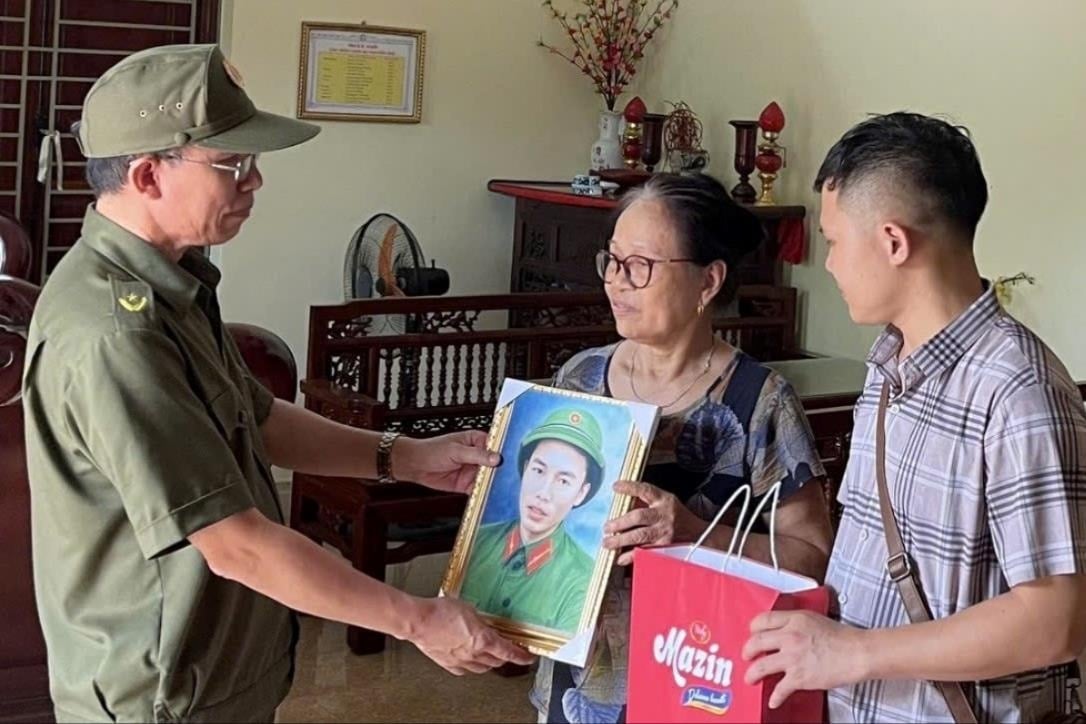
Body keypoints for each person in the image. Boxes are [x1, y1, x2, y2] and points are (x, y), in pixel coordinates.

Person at [21, 44, 531, 724]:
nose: (255, 182)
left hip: (219, 672)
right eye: (233, 164)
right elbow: (234, 543)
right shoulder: (116, 335)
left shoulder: (170, 283)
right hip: (162, 695)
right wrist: (416, 620)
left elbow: (258, 419)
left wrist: (410, 457)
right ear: (147, 175)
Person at [742, 112, 1086, 722]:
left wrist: (855, 653)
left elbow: (1055, 621)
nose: (828, 263)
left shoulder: (1019, 392)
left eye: (834, 240)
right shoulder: (888, 364)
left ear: (893, 242)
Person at [531, 172, 834, 723]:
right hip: (586, 683)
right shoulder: (578, 378)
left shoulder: (760, 402)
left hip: (702, 679)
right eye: (612, 261)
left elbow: (811, 560)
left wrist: (696, 535)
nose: (616, 282)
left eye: (640, 266)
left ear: (708, 281)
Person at [460, 407, 604, 633]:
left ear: (581, 493)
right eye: (538, 470)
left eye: (563, 481)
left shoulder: (584, 579)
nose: (543, 493)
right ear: (525, 469)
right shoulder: (475, 541)